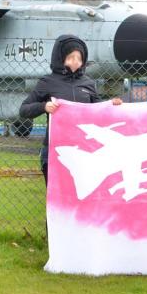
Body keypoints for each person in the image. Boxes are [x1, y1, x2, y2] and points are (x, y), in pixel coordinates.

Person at [19, 34, 122, 184]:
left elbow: (98, 110)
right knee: (57, 198)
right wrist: (43, 106)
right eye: (71, 57)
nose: (75, 62)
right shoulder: (47, 82)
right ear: (60, 58)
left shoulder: (88, 83)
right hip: (55, 150)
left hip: (84, 150)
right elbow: (23, 110)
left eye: (79, 58)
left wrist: (110, 104)